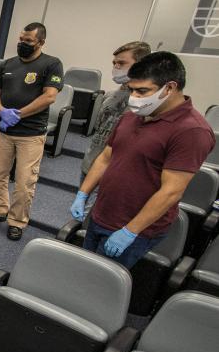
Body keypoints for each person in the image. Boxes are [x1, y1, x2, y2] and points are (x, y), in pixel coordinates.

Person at [71, 52, 214, 269]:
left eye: (142, 91)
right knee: (83, 269)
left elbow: (171, 191)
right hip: (102, 213)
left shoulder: (192, 130)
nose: (134, 98)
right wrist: (83, 193)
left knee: (99, 283)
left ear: (169, 88)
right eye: (132, 90)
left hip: (133, 228)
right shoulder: (132, 116)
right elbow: (106, 158)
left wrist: (130, 231)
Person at [0, 22, 63, 241]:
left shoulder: (52, 64)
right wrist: (2, 111)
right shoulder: (8, 64)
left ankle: (17, 221)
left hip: (31, 134)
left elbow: (49, 97)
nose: (22, 44)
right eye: (21, 39)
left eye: (28, 41)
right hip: (3, 130)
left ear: (40, 42)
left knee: (24, 183)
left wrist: (18, 114)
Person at [80, 41, 151, 180]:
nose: (116, 67)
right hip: (90, 164)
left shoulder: (147, 102)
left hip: (115, 173)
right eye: (114, 63)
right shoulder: (109, 96)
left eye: (122, 63)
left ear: (141, 65)